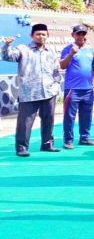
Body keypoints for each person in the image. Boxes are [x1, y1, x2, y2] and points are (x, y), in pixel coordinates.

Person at [3, 23, 62, 157]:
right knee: (25, 122)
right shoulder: (23, 49)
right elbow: (7, 56)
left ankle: (47, 144)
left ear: (47, 35)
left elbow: (55, 69)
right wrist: (7, 45)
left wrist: (56, 84)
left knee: (49, 119)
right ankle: (22, 147)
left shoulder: (51, 51)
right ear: (32, 36)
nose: (41, 37)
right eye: (38, 34)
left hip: (49, 91)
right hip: (29, 93)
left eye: (43, 34)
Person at [60, 24, 94, 149]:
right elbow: (62, 66)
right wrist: (71, 54)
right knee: (69, 116)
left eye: (83, 34)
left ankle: (84, 138)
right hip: (72, 89)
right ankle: (68, 140)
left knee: (87, 115)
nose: (80, 36)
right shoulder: (67, 49)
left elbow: (93, 68)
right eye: (78, 34)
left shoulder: (90, 50)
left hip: (88, 89)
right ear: (73, 35)